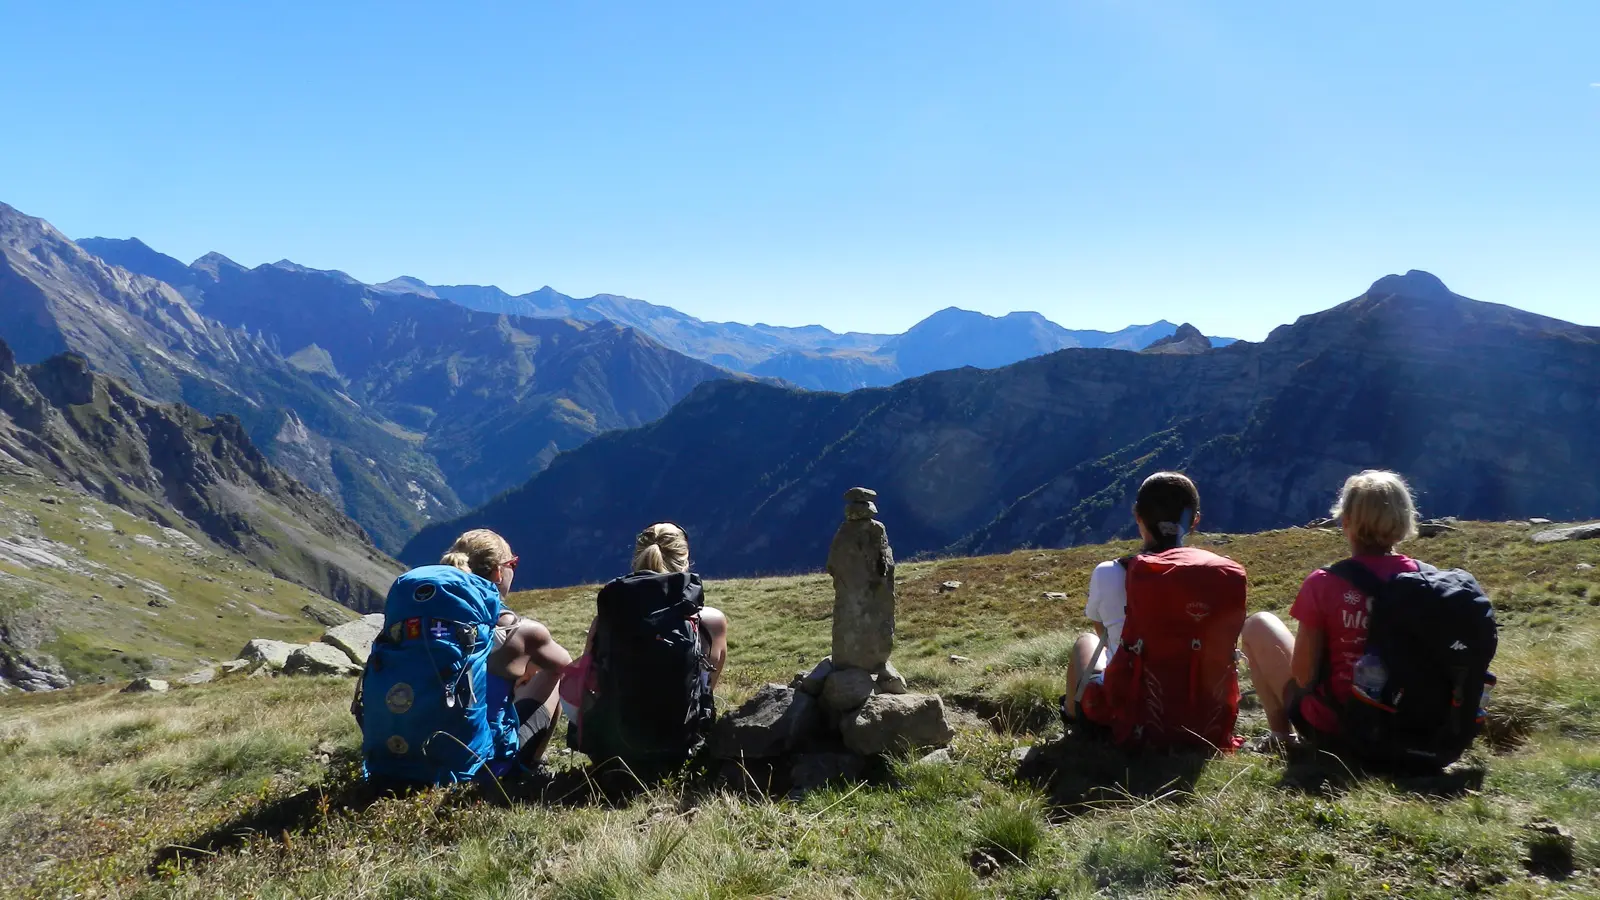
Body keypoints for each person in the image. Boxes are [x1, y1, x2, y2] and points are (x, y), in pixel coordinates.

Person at [1240, 469, 1495, 768]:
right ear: (1404, 520)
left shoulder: (1323, 583)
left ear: (1346, 521)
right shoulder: (1430, 583)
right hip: (1420, 732)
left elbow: (1303, 675)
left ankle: (1281, 738)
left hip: (1341, 733)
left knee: (1258, 624)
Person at [1063, 472, 1248, 749]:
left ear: (1137, 515)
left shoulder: (1110, 573)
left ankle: (1070, 715)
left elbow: (1102, 632)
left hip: (1133, 717)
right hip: (1204, 720)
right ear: (1195, 520)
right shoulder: (1221, 574)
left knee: (1087, 643)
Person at [561, 523, 728, 767]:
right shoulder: (710, 623)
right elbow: (705, 684)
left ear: (637, 558)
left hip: (615, 753)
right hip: (681, 749)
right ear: (685, 560)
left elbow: (588, 679)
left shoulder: (609, 617)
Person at [442, 529, 573, 769]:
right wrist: (525, 668)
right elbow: (568, 666)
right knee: (553, 672)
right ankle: (531, 767)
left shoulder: (424, 621)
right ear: (498, 572)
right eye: (513, 563)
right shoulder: (516, 631)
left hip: (407, 755)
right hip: (481, 766)